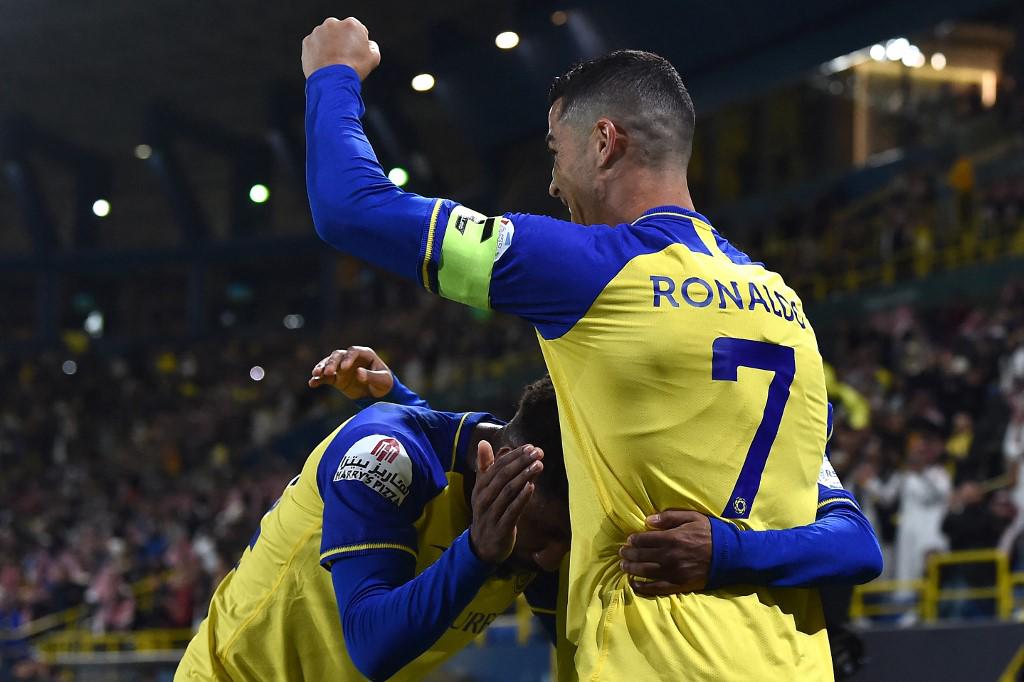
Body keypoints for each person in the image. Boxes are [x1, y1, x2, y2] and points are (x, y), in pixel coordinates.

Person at [302, 20, 860, 679]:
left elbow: (350, 208)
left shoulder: (588, 269)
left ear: (603, 143)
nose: (552, 182)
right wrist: (733, 552)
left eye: (554, 151)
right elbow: (850, 539)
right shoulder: (788, 315)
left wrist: (333, 75)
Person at [176, 344, 879, 681]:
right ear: (501, 470)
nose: (548, 559)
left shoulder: (539, 512)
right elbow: (370, 644)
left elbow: (573, 657)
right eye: (542, 536)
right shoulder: (385, 458)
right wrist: (477, 552)